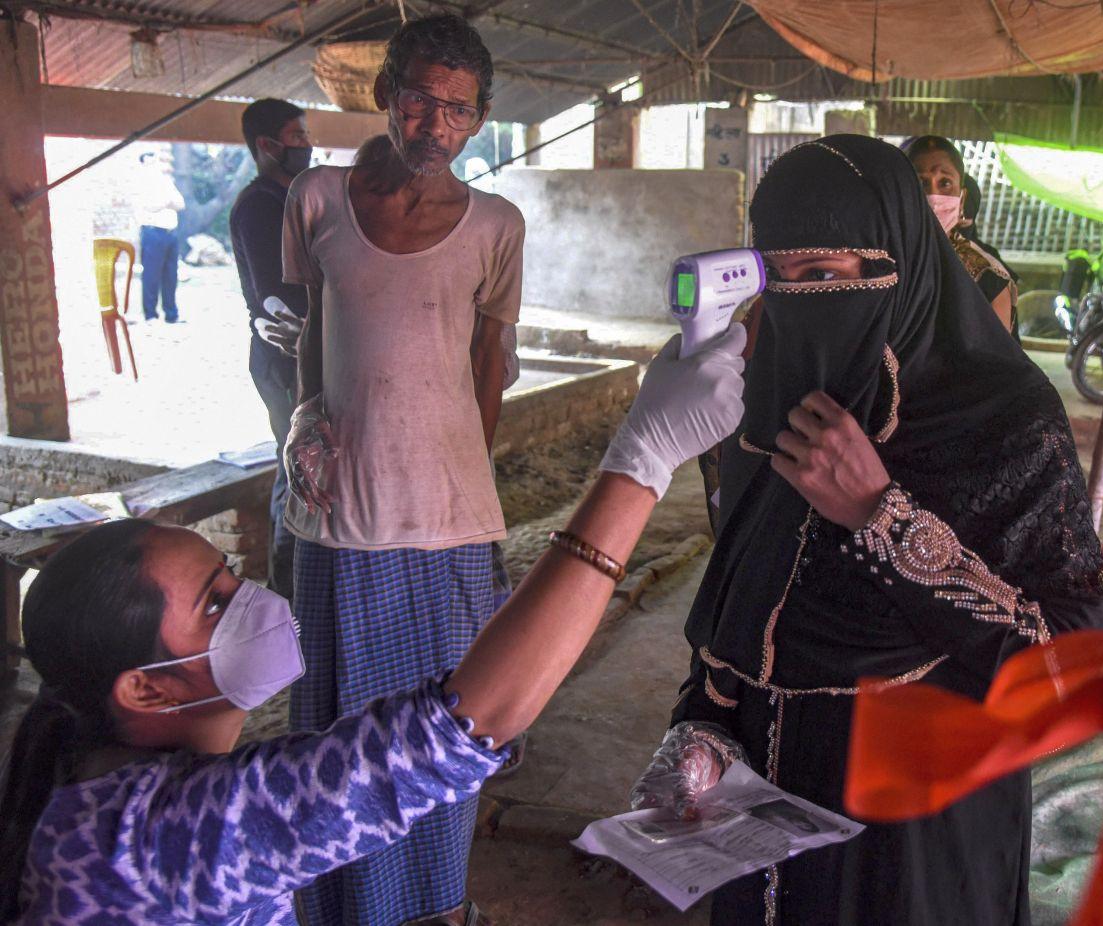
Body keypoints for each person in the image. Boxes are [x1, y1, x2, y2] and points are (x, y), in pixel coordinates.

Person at [0, 325, 748, 926]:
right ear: (145, 690)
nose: (254, 600)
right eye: (215, 603)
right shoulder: (161, 836)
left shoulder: (105, 795)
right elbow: (456, 731)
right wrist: (642, 458)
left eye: (233, 577)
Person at [631, 135, 1103, 926]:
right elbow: (739, 600)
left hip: (916, 835)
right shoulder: (764, 398)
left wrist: (880, 516)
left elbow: (1068, 672)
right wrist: (704, 724)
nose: (797, 304)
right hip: (758, 821)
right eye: (777, 279)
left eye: (823, 276)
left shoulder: (1002, 419)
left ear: (899, 261)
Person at [281, 15, 524, 925]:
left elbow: (488, 365)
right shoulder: (315, 199)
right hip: (341, 517)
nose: (434, 125)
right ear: (385, 94)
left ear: (481, 120)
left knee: (445, 727)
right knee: (338, 724)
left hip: (449, 523)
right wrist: (305, 430)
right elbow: (314, 331)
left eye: (458, 110)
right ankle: (339, 905)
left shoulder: (497, 227)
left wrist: (462, 472)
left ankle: (434, 904)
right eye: (419, 99)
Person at [229, 98, 314, 601]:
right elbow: (274, 298)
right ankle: (285, 595)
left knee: (310, 466)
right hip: (283, 357)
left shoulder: (294, 198)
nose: (306, 145)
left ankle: (304, 586)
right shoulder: (259, 206)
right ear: (267, 145)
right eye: (296, 136)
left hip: (309, 350)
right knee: (296, 469)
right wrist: (311, 338)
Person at [904, 134, 1020, 337]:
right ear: (900, 192)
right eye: (921, 183)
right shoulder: (878, 264)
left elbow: (999, 361)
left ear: (962, 197)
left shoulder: (988, 277)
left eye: (945, 183)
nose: (933, 196)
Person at [134, 150, 185, 323]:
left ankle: (171, 314)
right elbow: (151, 206)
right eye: (148, 161)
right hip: (152, 232)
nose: (153, 165)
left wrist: (165, 202)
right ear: (142, 164)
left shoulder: (166, 182)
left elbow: (180, 203)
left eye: (154, 161)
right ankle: (150, 315)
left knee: (171, 275)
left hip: (170, 233)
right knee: (151, 275)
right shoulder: (141, 183)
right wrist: (166, 202)